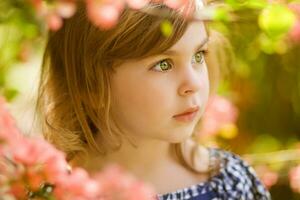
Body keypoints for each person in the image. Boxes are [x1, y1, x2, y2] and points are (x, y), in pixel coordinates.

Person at [36, 0, 271, 199]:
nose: (194, 84)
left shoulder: (231, 184)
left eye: (198, 55)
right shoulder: (57, 192)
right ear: (91, 86)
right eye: (163, 64)